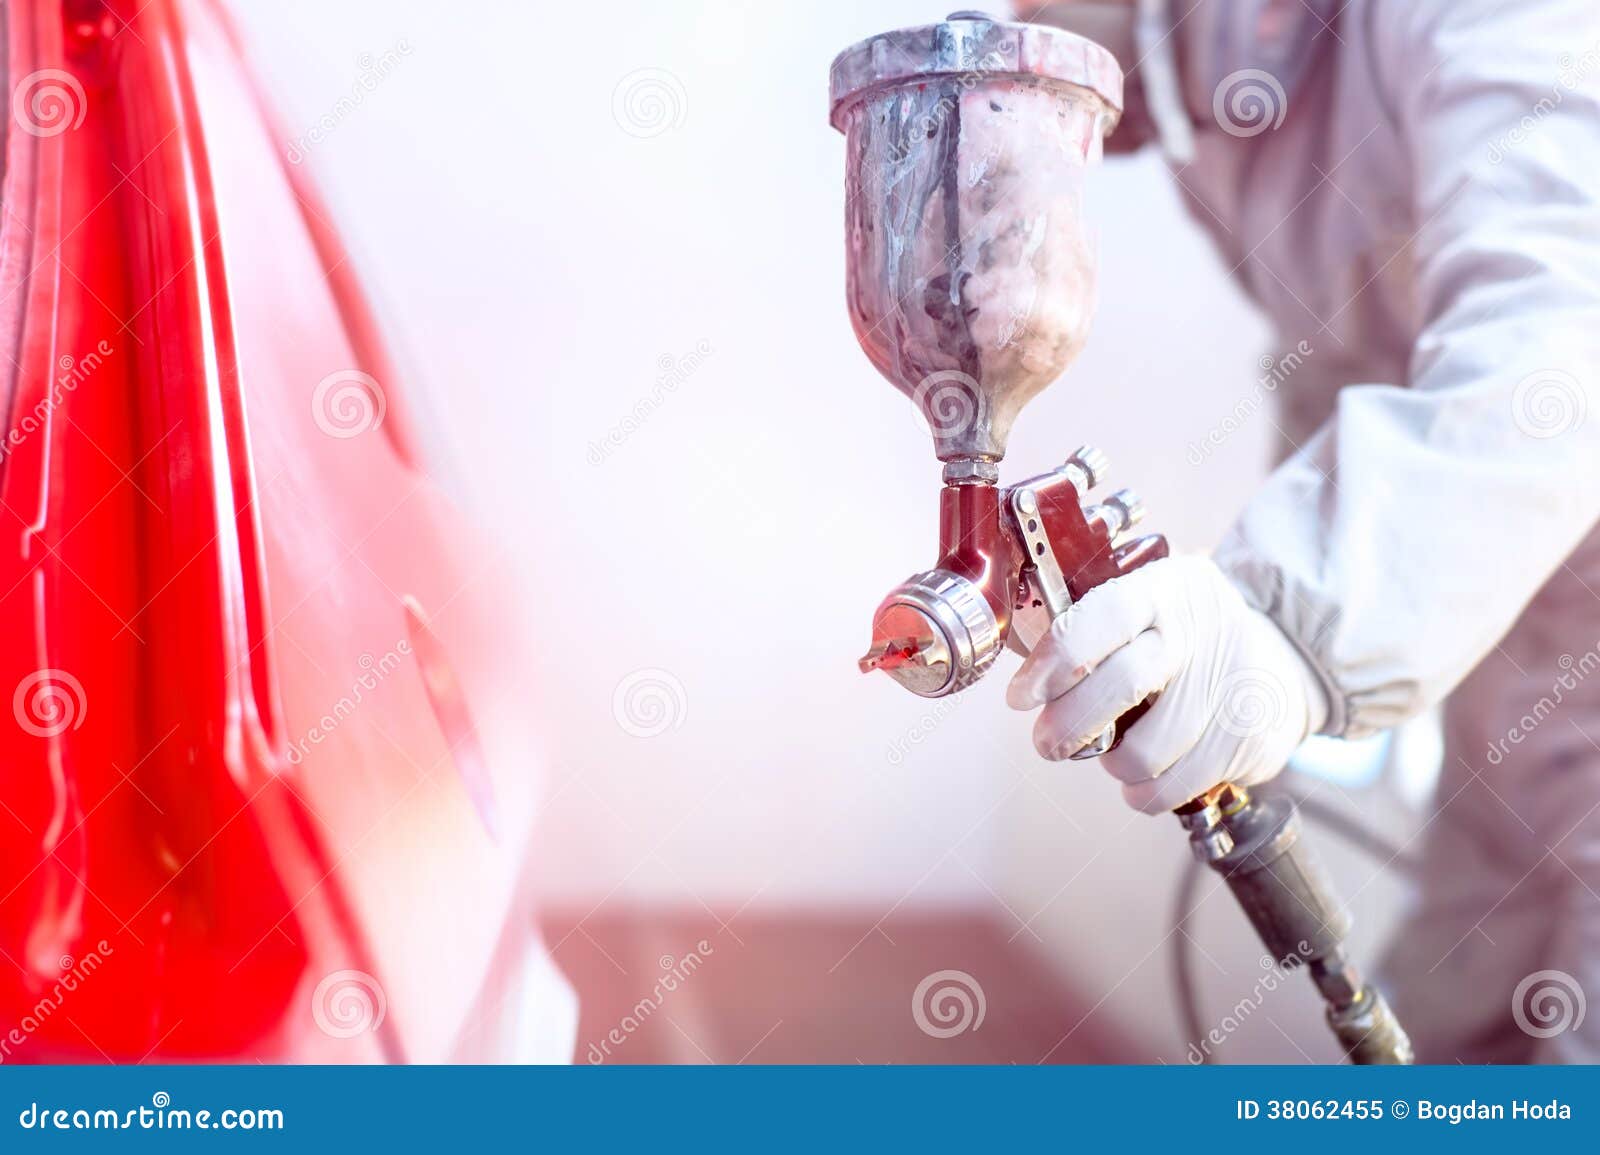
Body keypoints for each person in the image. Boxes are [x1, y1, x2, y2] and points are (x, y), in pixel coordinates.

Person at [1011, 0, 1600, 1062]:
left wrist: (1289, 621)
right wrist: (1241, 628)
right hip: (1507, 686)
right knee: (1468, 1018)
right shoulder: (1217, 93)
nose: (1015, 22)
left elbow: (1562, 336)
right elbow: (1346, 362)